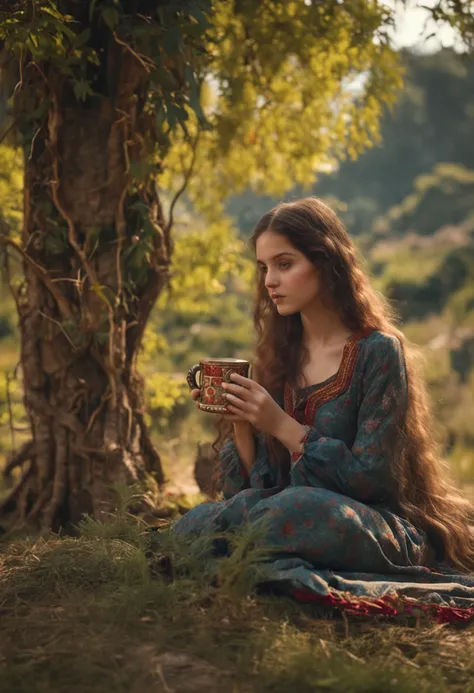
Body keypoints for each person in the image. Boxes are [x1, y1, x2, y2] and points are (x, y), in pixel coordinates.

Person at [172, 197, 474, 620]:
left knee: (294, 511)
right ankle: (242, 547)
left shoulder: (377, 352)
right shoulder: (278, 358)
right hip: (288, 513)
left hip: (368, 523)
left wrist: (283, 425)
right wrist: (244, 426)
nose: (270, 281)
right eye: (263, 268)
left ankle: (241, 551)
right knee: (213, 515)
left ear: (326, 262)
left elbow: (371, 480)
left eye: (284, 263)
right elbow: (246, 494)